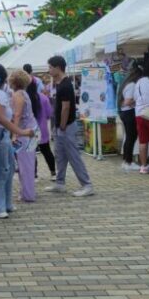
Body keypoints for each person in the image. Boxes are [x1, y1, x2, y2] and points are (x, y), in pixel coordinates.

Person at [0, 65, 34, 218]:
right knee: (0, 170)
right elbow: (1, 118)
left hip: (2, 134)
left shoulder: (1, 94)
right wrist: (20, 132)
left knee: (9, 168)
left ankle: (5, 203)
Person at [44, 56, 94, 197]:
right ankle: (60, 183)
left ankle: (87, 185)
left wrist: (62, 126)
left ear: (58, 67)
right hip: (61, 126)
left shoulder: (65, 85)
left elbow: (66, 108)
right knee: (60, 155)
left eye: (50, 67)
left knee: (73, 156)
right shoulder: (60, 83)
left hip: (66, 126)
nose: (49, 70)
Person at [9, 70, 39, 202]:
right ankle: (26, 192)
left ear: (14, 81)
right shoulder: (24, 93)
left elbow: (17, 115)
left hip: (25, 133)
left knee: (25, 165)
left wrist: (14, 134)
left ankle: (27, 194)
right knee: (27, 164)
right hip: (32, 130)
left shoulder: (18, 95)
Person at [118, 64, 143, 172]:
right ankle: (128, 161)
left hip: (125, 113)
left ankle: (126, 161)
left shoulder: (125, 83)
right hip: (129, 113)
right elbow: (128, 101)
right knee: (131, 137)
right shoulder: (132, 85)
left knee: (129, 137)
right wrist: (139, 99)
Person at [32, 81, 55, 181]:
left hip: (31, 130)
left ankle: (34, 174)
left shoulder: (26, 98)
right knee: (47, 151)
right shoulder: (44, 97)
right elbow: (49, 113)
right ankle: (53, 172)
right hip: (42, 129)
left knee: (31, 152)